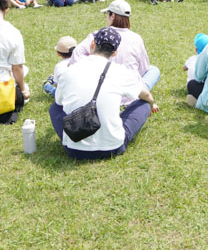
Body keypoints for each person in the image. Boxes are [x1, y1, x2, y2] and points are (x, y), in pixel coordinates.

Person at [51, 27, 159, 160]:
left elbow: (59, 102)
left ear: (92, 44)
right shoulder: (120, 71)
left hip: (74, 149)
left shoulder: (70, 70)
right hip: (113, 147)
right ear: (115, 53)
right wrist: (151, 103)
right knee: (144, 104)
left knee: (54, 108)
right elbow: (146, 95)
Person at [72, 0, 160, 91]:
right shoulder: (136, 38)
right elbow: (143, 68)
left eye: (107, 14)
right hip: (130, 91)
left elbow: (76, 56)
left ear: (112, 15)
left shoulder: (97, 36)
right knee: (153, 70)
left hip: (99, 89)